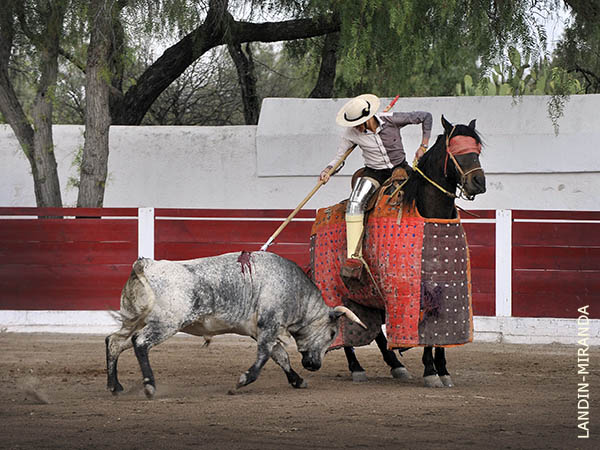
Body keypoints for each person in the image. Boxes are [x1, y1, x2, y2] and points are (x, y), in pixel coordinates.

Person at [320, 94, 432, 281]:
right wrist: (328, 170)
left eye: (359, 122)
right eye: (354, 123)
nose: (356, 127)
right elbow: (339, 157)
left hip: (400, 168)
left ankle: (426, 243)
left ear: (369, 116)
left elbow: (426, 116)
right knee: (354, 204)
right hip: (374, 172)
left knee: (423, 195)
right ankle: (354, 257)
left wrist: (423, 146)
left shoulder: (392, 119)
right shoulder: (350, 133)